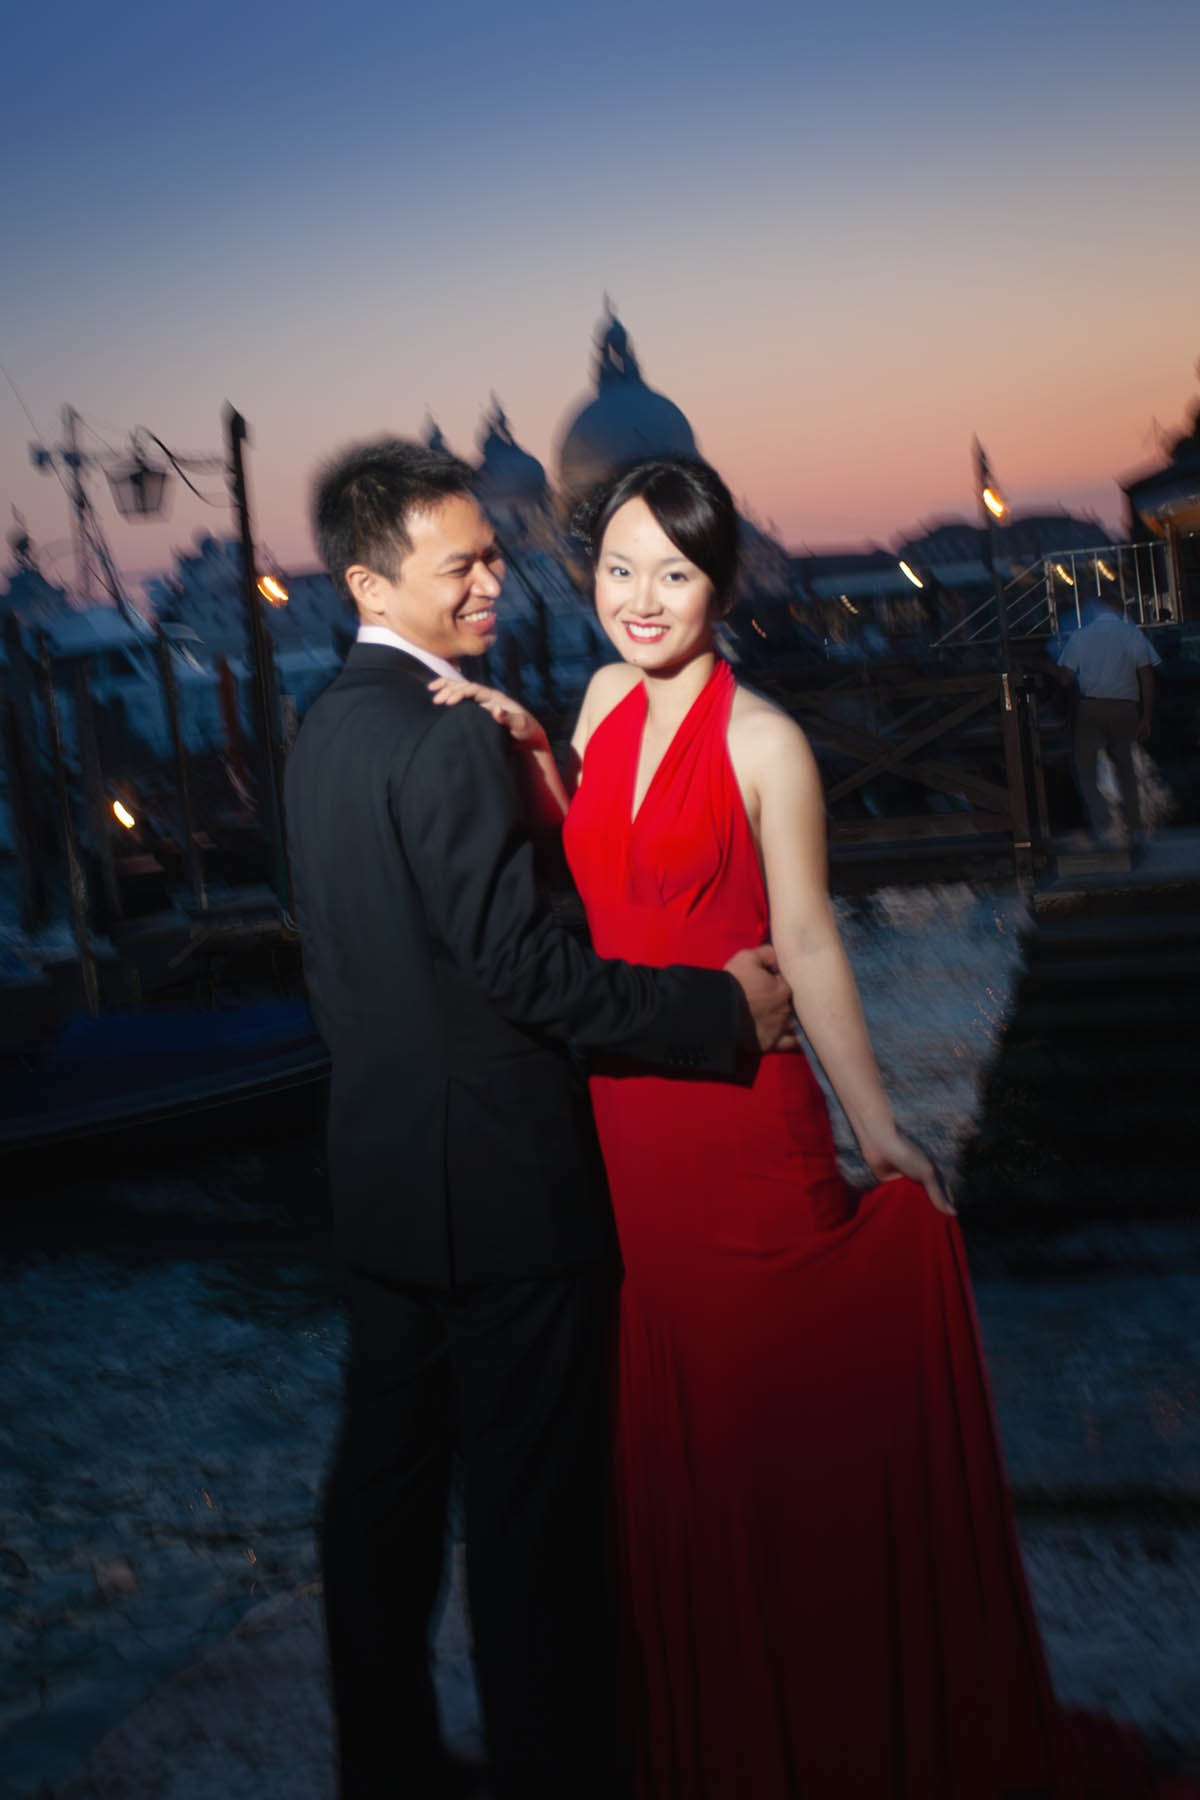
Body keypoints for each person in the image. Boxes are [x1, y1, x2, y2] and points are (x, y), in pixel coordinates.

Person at [433, 457, 1192, 1800]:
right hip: (627, 1131)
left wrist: (880, 1129)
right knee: (683, 1455)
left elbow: (807, 943)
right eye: (618, 568)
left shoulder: (763, 740)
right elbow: (591, 863)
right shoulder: (598, 700)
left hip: (741, 1129)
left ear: (722, 584)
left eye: (674, 572)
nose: (642, 598)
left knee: (767, 1446)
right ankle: (722, 1735)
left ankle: (817, 1736)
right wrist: (536, 751)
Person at [282, 440, 793, 1800]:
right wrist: (717, 1016)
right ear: (370, 581)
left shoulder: (327, 725)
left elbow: (348, 957)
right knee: (531, 1524)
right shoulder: (443, 735)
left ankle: (382, 1763)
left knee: (381, 1497)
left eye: (495, 555)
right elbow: (528, 974)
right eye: (463, 564)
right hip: (507, 1198)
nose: (495, 580)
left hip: (384, 1182)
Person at [1056, 593, 1161, 847]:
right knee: (1126, 768)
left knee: (1088, 769)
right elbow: (1148, 676)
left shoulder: (1081, 636)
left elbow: (1065, 679)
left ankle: (1104, 825)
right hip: (1125, 707)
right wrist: (1146, 716)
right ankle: (1134, 826)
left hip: (1091, 707)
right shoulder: (1131, 634)